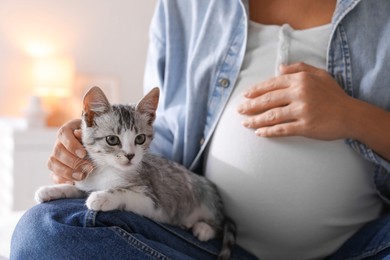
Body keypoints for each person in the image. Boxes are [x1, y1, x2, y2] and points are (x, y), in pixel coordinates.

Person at [11, 0, 390, 259]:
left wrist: (352, 116)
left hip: (367, 246)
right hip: (199, 246)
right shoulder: (186, 7)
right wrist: (92, 158)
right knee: (45, 230)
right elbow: (163, 152)